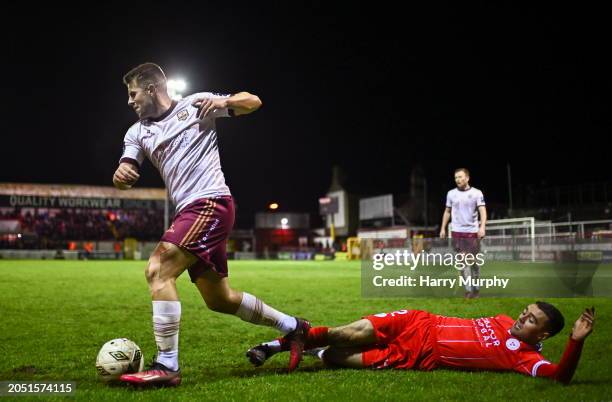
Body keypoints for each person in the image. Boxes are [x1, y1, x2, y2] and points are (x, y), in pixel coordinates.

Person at [113, 63, 309, 386]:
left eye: (133, 93)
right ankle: (294, 327)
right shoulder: (137, 132)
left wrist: (225, 102)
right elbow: (126, 167)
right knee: (220, 299)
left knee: (158, 270)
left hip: (210, 203)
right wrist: (121, 176)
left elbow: (254, 101)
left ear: (150, 89)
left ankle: (167, 366)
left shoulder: (196, 104)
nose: (130, 101)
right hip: (190, 213)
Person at [247, 303, 594, 384]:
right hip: (418, 322)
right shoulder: (505, 321)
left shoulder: (526, 359)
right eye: (525, 312)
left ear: (543, 335)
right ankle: (273, 345)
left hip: (418, 355)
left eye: (531, 320)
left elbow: (560, 376)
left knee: (335, 357)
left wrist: (575, 343)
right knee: (344, 334)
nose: (521, 319)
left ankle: (309, 346)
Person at [440, 168, 487, 298]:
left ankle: (476, 288)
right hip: (457, 232)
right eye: (456, 178)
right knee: (461, 261)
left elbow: (482, 211)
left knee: (474, 262)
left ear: (467, 178)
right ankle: (467, 290)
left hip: (472, 232)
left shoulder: (477, 193)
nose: (458, 180)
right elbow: (447, 211)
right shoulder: (451, 194)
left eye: (460, 177)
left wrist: (482, 227)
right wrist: (443, 228)